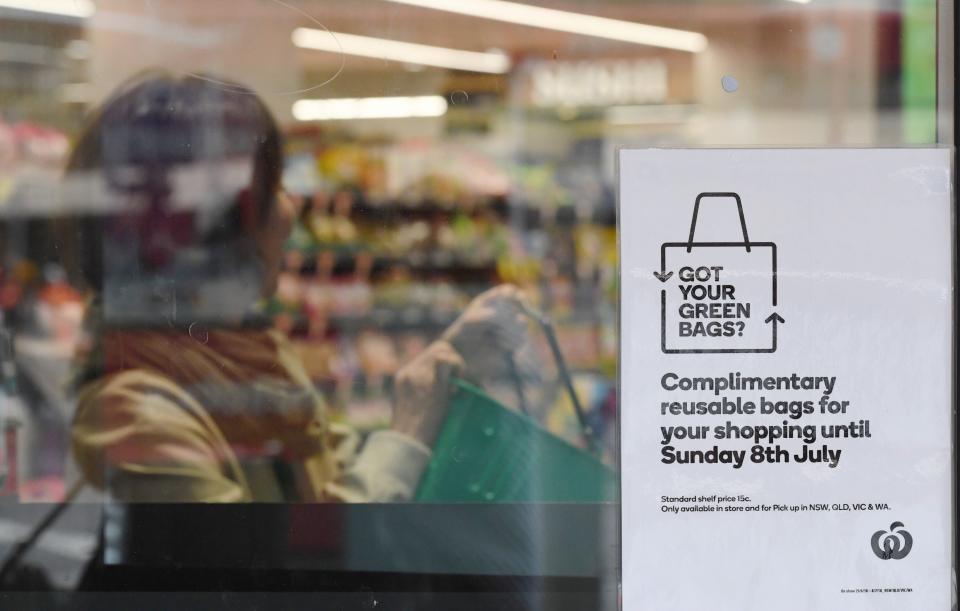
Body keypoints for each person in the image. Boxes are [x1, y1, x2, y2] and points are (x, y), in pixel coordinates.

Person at [63, 72, 527, 503]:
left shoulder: (257, 360)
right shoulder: (133, 413)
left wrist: (444, 376)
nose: (289, 212)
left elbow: (336, 485)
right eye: (271, 189)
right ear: (199, 228)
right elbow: (286, 580)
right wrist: (407, 433)